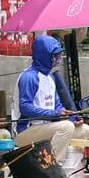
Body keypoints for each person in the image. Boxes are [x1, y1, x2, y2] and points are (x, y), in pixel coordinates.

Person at [15, 34, 81, 163]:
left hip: (47, 128)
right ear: (44, 55)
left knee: (84, 130)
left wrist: (71, 117)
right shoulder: (29, 77)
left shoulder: (50, 77)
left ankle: (70, 170)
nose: (58, 59)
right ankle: (52, 168)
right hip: (26, 131)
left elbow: (57, 106)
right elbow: (25, 108)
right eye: (55, 55)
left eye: (59, 55)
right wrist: (55, 114)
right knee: (66, 127)